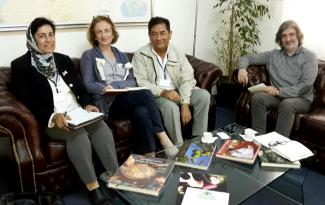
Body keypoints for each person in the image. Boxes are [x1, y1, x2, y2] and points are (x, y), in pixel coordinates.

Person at [10, 17, 117, 205]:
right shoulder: (21, 66)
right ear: (32, 39)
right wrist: (53, 115)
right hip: (53, 118)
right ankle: (93, 188)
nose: (48, 40)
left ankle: (116, 179)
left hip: (77, 112)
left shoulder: (63, 60)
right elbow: (29, 102)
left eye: (51, 35)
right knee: (78, 134)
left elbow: (81, 90)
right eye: (42, 36)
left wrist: (87, 105)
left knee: (100, 127)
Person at [80, 16, 176, 156]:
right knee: (146, 93)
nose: (104, 35)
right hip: (107, 103)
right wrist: (104, 88)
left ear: (113, 33)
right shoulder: (88, 55)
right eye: (99, 32)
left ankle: (150, 155)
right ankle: (163, 137)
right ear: (94, 36)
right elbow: (88, 84)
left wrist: (115, 84)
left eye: (107, 30)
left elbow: (132, 80)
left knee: (141, 112)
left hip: (125, 98)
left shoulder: (121, 55)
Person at [131, 16, 210, 145]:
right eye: (154, 34)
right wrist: (163, 93)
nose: (159, 38)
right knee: (170, 107)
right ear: (149, 36)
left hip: (178, 91)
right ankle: (178, 147)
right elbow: (141, 82)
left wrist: (185, 103)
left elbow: (187, 77)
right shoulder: (140, 55)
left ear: (170, 34)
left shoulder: (177, 52)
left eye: (163, 33)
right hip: (157, 95)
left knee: (204, 96)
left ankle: (198, 140)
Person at [237, 20, 318, 137]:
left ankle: (277, 146)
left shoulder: (309, 56)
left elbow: (306, 85)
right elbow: (246, 58)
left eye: (291, 34)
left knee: (287, 104)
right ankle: (258, 138)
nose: (288, 39)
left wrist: (279, 91)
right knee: (258, 98)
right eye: (284, 36)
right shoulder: (273, 55)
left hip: (301, 98)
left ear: (298, 36)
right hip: (278, 96)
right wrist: (242, 69)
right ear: (280, 39)